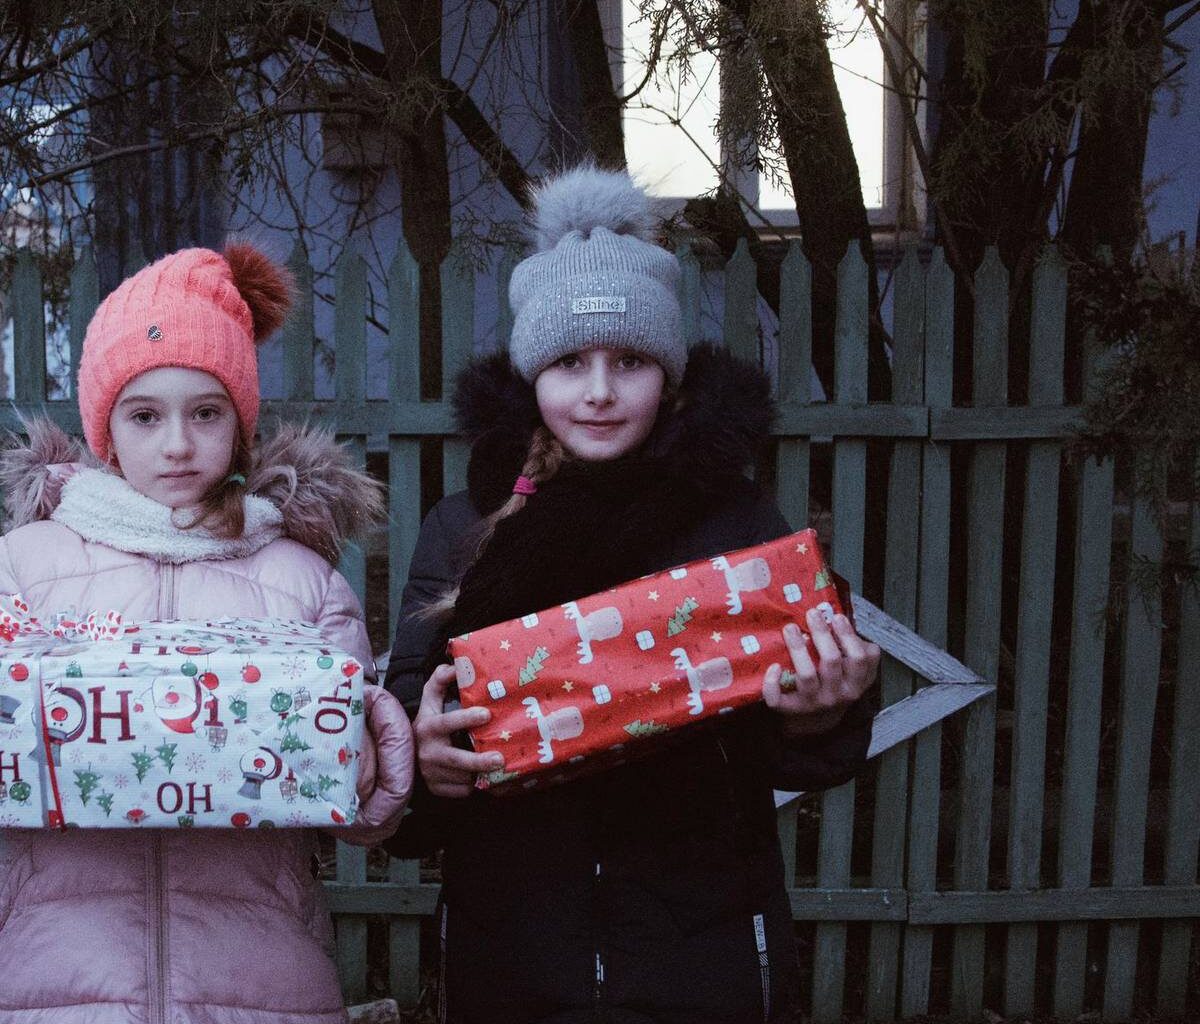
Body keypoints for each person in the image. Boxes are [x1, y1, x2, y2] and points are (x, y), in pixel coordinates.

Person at [382, 165, 881, 1024]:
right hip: (513, 947)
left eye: (631, 360)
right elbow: (409, 715)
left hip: (705, 946)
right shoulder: (465, 525)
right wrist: (424, 757)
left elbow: (791, 747)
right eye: (570, 361)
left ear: (672, 375)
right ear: (532, 374)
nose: (601, 390)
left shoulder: (735, 520)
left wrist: (820, 713)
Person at [0, 243, 413, 1023]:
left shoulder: (302, 580)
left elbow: (359, 814)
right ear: (106, 429)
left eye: (206, 412)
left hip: (258, 982)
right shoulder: (23, 567)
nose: (179, 444)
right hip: (54, 980)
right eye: (145, 415)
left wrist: (369, 751)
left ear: (240, 423)